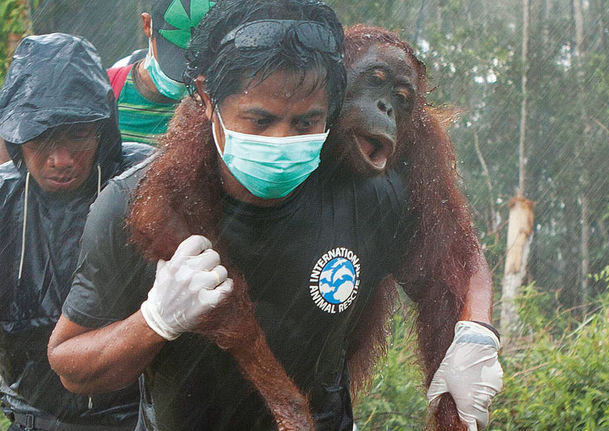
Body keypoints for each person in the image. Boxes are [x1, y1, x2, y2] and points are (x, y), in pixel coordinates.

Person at [48, 1, 501, 430]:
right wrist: (154, 322)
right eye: (260, 121)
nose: (283, 139)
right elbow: (71, 365)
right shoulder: (142, 200)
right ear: (206, 101)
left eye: (305, 123)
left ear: (332, 105)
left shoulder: (371, 195)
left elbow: (452, 260)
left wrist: (473, 334)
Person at [0, 33, 154, 431]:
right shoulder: (4, 199)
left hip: (134, 417)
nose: (61, 160)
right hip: (33, 414)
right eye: (41, 139)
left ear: (103, 127)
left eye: (78, 134)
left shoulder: (146, 185)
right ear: (16, 137)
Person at [107, 0, 216, 146]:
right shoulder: (107, 88)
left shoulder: (223, 101)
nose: (187, 76)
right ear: (147, 26)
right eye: (175, 55)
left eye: (201, 61)